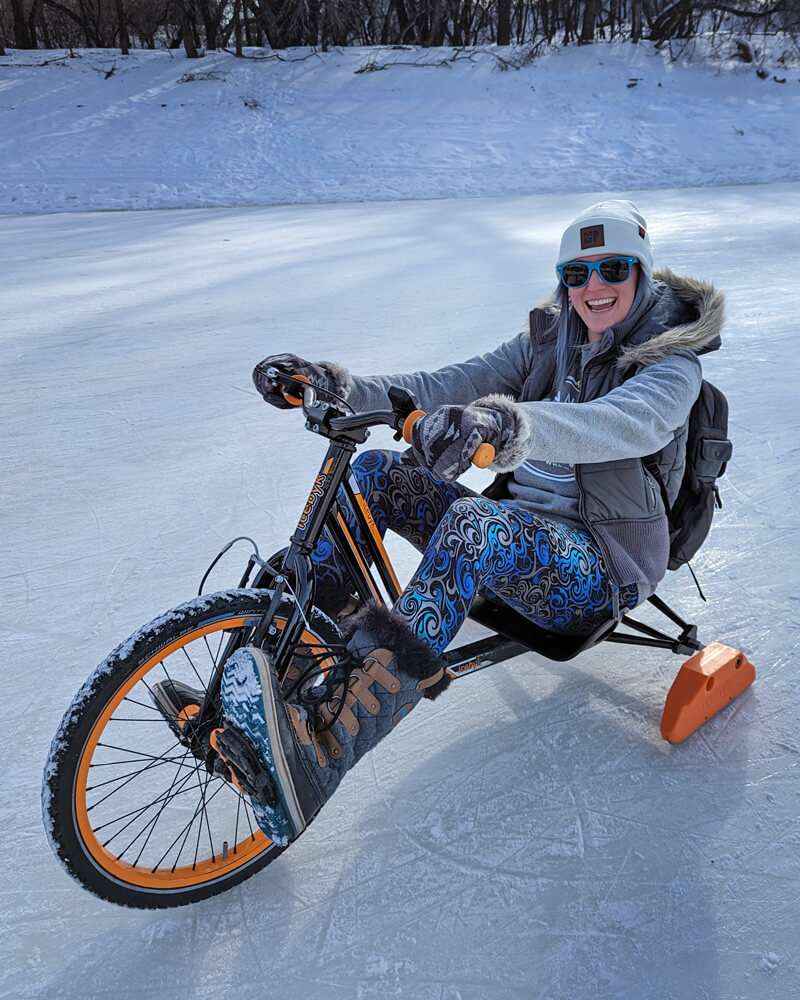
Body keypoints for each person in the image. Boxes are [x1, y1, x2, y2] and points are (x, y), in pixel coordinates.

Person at [216, 200, 724, 846]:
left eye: (613, 270)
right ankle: (287, 664)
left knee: (473, 526)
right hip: (516, 532)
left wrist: (511, 425)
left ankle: (326, 748)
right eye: (577, 275)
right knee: (375, 472)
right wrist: (339, 388)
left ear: (642, 274)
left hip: (600, 563)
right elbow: (449, 382)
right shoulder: (549, 337)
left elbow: (621, 424)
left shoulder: (672, 362)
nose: (593, 289)